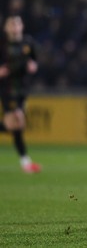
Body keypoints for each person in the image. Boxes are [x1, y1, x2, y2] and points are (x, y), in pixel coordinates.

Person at [0, 15, 41, 174]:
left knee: (16, 126)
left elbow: (35, 61)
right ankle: (25, 163)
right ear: (6, 28)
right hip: (7, 89)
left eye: (17, 24)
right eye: (12, 24)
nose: (15, 27)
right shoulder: (2, 44)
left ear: (22, 26)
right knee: (17, 119)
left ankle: (25, 162)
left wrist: (33, 66)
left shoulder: (28, 43)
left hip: (23, 90)